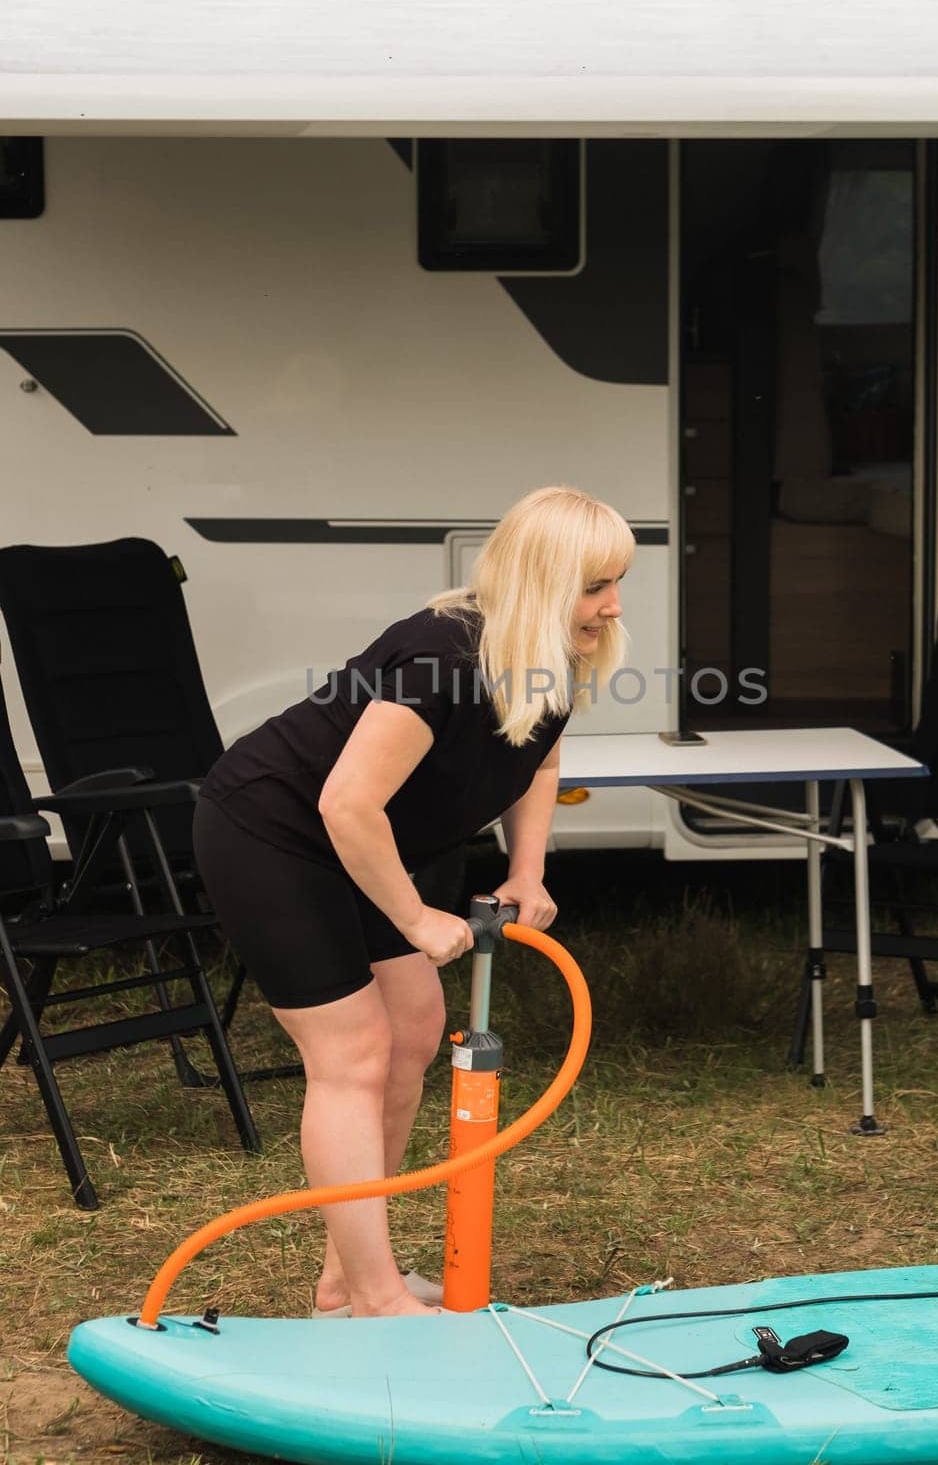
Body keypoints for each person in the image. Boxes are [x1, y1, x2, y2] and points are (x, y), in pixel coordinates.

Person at [192, 485, 634, 1320]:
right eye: (595, 586)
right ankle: (373, 1296)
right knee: (353, 1053)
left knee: (416, 1032)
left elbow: (535, 760)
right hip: (274, 831)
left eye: (617, 584)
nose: (613, 607)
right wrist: (416, 918)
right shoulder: (442, 656)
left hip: (372, 844)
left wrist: (527, 871)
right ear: (542, 581)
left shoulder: (549, 655)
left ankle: (346, 1284)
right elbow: (344, 804)